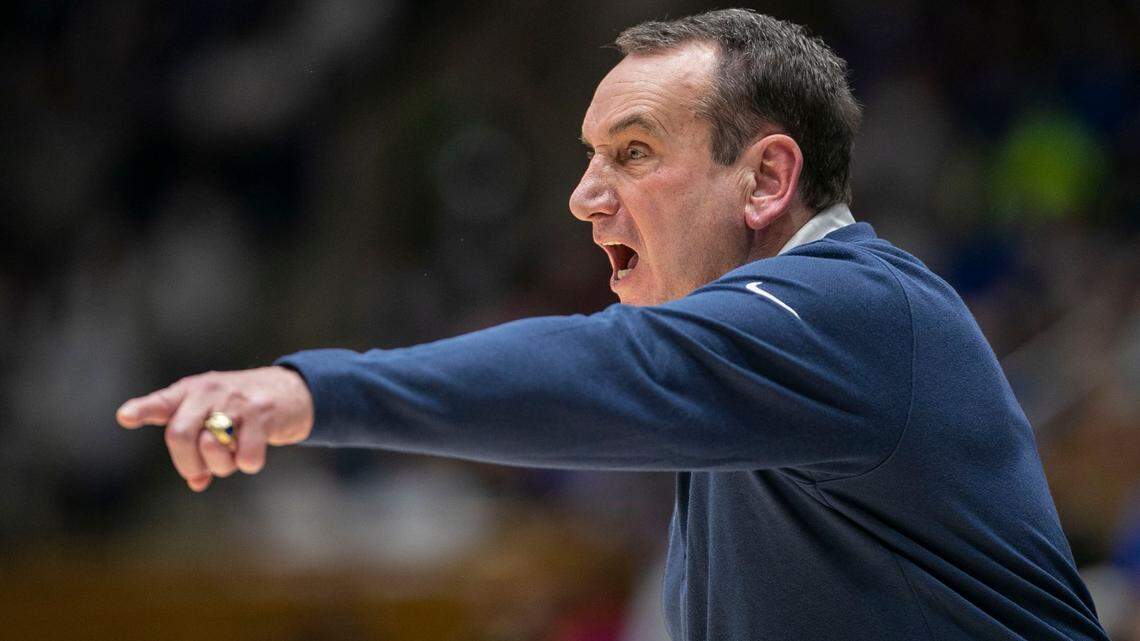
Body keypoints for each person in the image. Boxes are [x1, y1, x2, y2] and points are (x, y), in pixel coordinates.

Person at [116, 9, 1109, 641]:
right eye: (590, 157)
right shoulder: (757, 367)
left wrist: (311, 389)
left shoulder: (857, 308)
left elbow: (601, 363)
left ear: (767, 178)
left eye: (632, 153)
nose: (585, 198)